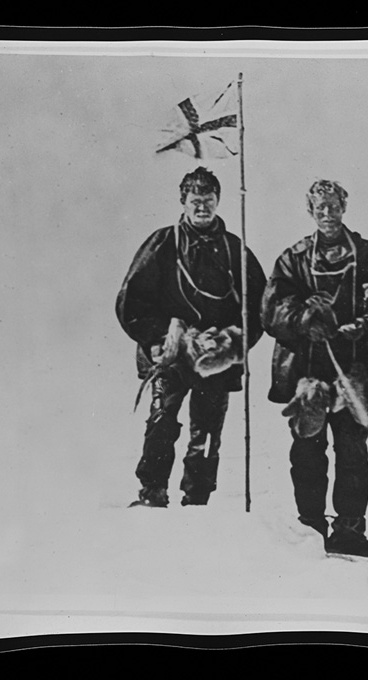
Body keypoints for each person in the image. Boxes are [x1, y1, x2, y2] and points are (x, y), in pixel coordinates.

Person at [261, 179, 368, 556]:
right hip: (308, 371)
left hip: (353, 370)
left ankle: (350, 528)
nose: (327, 213)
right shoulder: (294, 259)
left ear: (344, 207)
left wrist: (365, 325)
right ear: (310, 211)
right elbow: (271, 308)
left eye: (333, 206)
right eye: (319, 207)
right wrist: (304, 319)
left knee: (353, 450)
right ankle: (310, 526)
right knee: (307, 449)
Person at [116, 166, 266, 508]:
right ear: (183, 202)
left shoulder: (234, 250)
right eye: (196, 201)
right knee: (162, 419)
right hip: (170, 353)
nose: (203, 208)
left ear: (218, 202)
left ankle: (197, 498)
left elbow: (260, 307)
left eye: (209, 200)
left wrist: (232, 342)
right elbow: (130, 301)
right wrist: (160, 335)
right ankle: (152, 491)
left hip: (215, 358)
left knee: (208, 429)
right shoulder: (163, 244)